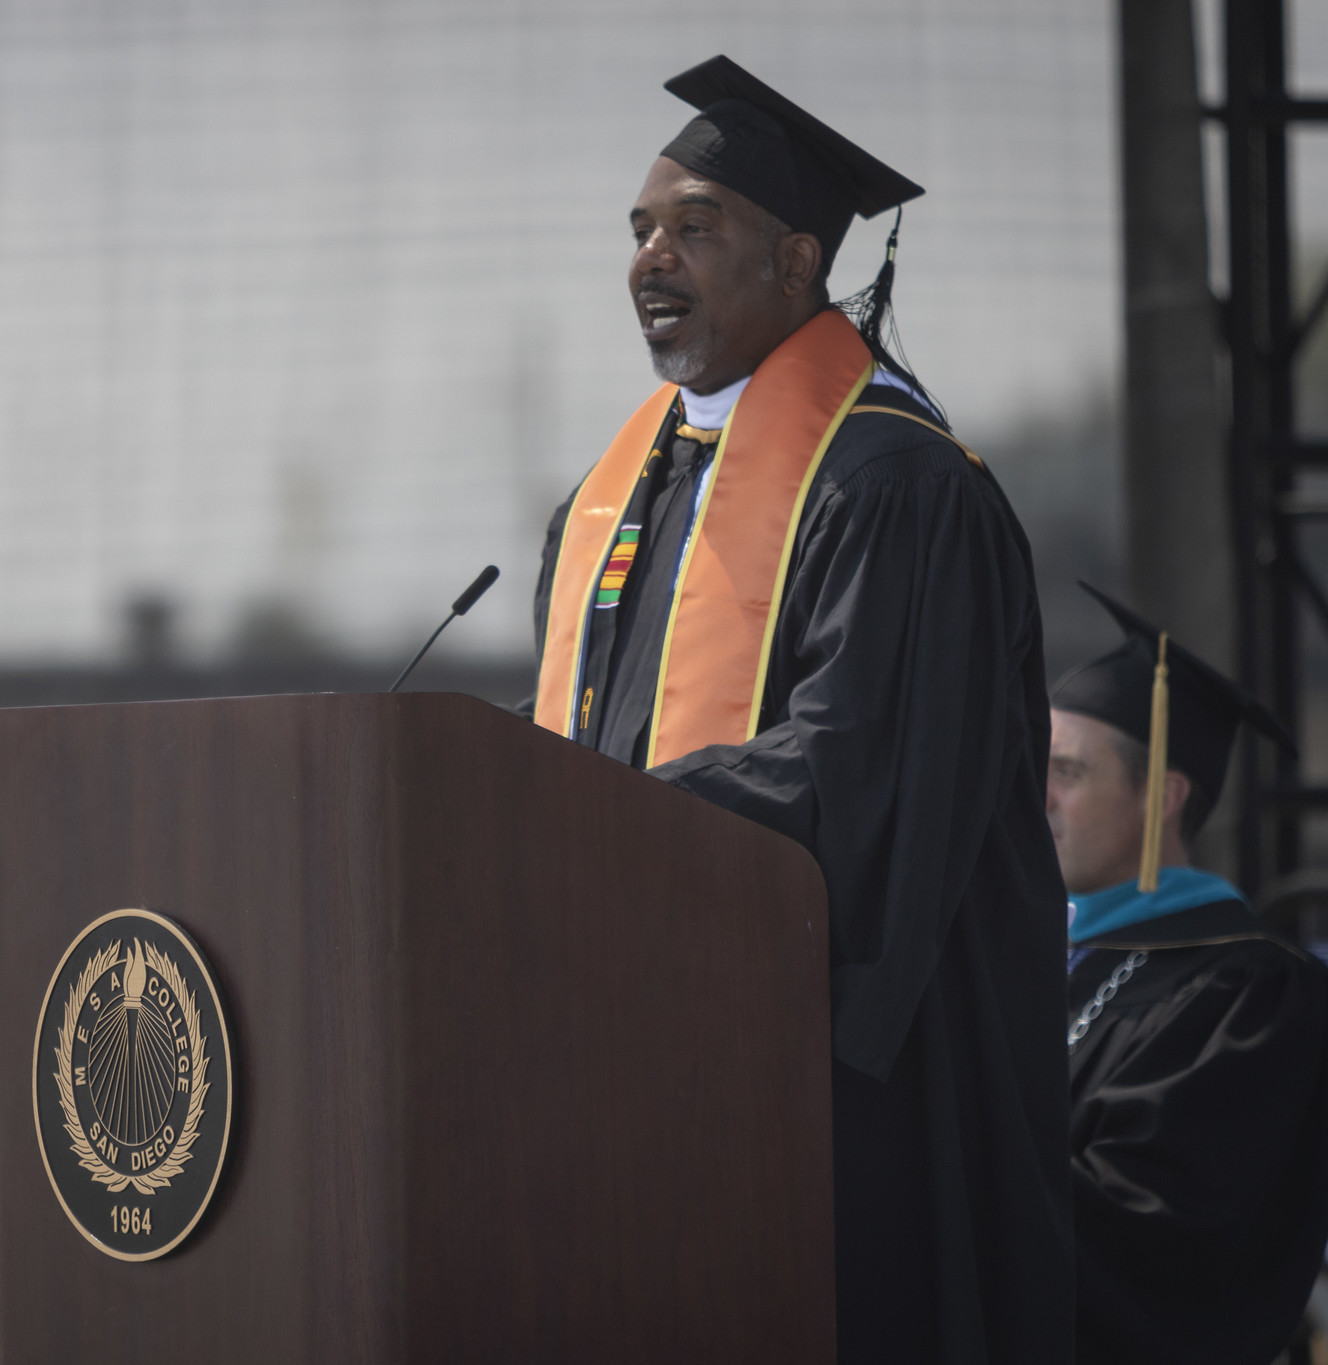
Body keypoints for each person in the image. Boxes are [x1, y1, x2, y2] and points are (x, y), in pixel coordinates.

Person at [529, 55, 1071, 1362]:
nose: (651, 259)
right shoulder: (615, 500)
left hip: (847, 1072)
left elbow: (861, 777)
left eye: (694, 228)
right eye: (641, 231)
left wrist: (568, 822)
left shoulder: (896, 487)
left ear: (796, 262)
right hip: (648, 1050)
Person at [1050, 583, 1328, 1363]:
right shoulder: (1025, 957)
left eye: (1067, 771)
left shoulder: (1248, 994)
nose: (1035, 795)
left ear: (1165, 796)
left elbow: (1158, 1242)